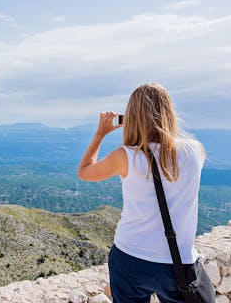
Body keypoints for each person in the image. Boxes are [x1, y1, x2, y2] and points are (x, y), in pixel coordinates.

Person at [77, 83, 205, 303]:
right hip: (178, 262)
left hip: (130, 258)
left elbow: (85, 172)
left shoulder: (125, 156)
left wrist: (100, 134)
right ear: (168, 112)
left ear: (133, 116)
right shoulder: (194, 151)